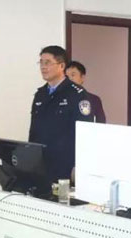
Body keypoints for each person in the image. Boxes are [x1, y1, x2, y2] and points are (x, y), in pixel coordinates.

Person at [29, 46, 94, 183]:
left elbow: (85, 133)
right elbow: (34, 131)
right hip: (41, 165)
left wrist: (78, 166)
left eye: (48, 62)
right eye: (41, 62)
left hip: (64, 165)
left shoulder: (77, 94)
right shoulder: (40, 94)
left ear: (62, 66)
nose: (43, 67)